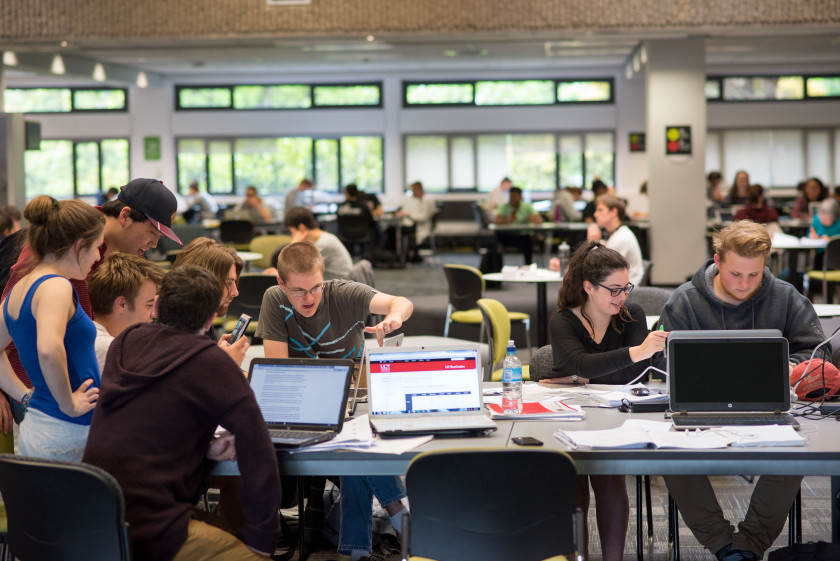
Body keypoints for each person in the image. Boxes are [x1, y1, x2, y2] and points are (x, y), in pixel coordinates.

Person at [83, 265, 281, 561]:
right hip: (153, 526)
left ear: (158, 306)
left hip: (92, 517)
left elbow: (152, 413)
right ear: (211, 318)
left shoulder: (125, 343)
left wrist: (202, 442)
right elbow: (259, 450)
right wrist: (263, 541)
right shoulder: (211, 361)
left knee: (223, 530)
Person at [655, 220, 823, 561]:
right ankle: (723, 544)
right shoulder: (685, 302)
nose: (745, 284)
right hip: (698, 408)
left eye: (755, 275)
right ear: (717, 261)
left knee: (798, 452)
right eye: (735, 275)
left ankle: (748, 546)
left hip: (772, 407)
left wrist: (791, 367)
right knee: (669, 453)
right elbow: (662, 363)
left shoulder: (786, 297)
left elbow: (818, 353)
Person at [256, 241, 412, 561]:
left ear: (323, 278)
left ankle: (356, 550)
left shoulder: (344, 293)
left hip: (353, 403)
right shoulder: (274, 299)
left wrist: (393, 318)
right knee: (353, 448)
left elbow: (401, 301)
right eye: (298, 291)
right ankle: (398, 514)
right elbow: (280, 374)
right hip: (303, 405)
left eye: (315, 287)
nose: (310, 298)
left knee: (352, 446)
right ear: (280, 283)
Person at [0, 178, 181, 424]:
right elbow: (34, 339)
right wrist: (17, 393)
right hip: (48, 403)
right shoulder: (57, 267)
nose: (154, 244)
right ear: (125, 216)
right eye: (152, 232)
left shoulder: (100, 252)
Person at [538, 241, 667, 561]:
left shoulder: (631, 315)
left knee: (609, 475)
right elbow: (587, 365)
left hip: (616, 415)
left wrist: (587, 372)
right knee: (574, 477)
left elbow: (637, 373)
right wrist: (631, 355)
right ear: (588, 287)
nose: (622, 297)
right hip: (568, 415)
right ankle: (574, 556)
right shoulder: (563, 321)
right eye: (613, 290)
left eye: (626, 288)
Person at [0, 196, 104, 459]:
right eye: (96, 248)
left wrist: (23, 396)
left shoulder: (21, 287)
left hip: (41, 424)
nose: (97, 257)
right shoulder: (57, 286)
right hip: (67, 429)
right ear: (79, 246)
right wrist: (67, 403)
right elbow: (48, 348)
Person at [172, 238, 249, 367]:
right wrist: (225, 364)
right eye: (228, 282)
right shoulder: (171, 330)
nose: (235, 292)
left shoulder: (201, 318)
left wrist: (215, 353)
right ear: (203, 280)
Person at [88, 252, 166, 371]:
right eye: (149, 305)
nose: (154, 314)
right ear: (121, 304)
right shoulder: (108, 348)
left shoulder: (93, 339)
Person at [580, 194, 644, 285]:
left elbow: (598, 269)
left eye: (600, 210)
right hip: (617, 285)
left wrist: (592, 243)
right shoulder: (616, 234)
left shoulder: (621, 237)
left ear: (613, 212)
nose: (595, 214)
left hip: (626, 290)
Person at [282, 206, 352, 279]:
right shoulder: (323, 239)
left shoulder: (324, 244)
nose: (292, 236)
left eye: (292, 232)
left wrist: (293, 246)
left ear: (301, 227)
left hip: (339, 287)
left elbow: (300, 271)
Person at [494, 186, 543, 265]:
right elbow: (496, 221)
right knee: (496, 239)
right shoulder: (504, 207)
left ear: (520, 197)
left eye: (514, 197)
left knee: (528, 242)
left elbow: (540, 220)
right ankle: (497, 267)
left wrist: (532, 219)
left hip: (523, 236)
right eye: (511, 197)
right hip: (508, 236)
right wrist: (507, 220)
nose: (512, 199)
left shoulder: (527, 206)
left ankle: (528, 266)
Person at [396, 181, 437, 249]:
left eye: (413, 191)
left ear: (418, 190)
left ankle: (401, 253)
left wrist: (407, 215)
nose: (412, 194)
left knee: (395, 231)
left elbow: (423, 218)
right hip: (418, 224)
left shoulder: (426, 200)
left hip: (421, 226)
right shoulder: (422, 200)